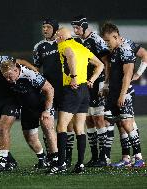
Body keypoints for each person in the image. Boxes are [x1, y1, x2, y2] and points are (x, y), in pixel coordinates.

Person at [49, 27, 104, 174]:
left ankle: (60, 164)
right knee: (79, 128)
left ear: (61, 37)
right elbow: (100, 65)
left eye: (57, 35)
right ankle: (80, 164)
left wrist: (73, 76)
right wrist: (91, 80)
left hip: (72, 89)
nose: (55, 37)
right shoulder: (80, 45)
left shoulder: (63, 45)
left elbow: (71, 56)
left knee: (61, 127)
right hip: (85, 90)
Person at [101, 22, 145, 168]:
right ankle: (126, 159)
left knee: (127, 123)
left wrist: (122, 94)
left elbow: (127, 75)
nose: (106, 44)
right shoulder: (115, 49)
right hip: (114, 92)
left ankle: (138, 158)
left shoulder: (125, 49)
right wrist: (107, 86)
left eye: (108, 41)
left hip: (123, 93)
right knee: (120, 124)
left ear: (116, 36)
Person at [0, 60, 59, 168]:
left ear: (15, 70)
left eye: (9, 76)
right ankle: (43, 159)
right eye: (5, 77)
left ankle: (56, 160)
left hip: (42, 106)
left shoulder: (30, 75)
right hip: (27, 109)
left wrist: (47, 109)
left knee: (48, 128)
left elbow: (49, 89)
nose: (8, 79)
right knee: (29, 137)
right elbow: (17, 59)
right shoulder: (9, 77)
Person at [70, 15, 110, 167]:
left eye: (78, 27)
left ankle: (104, 157)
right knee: (87, 119)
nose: (75, 30)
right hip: (84, 84)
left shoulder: (96, 40)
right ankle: (94, 157)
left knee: (99, 118)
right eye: (74, 27)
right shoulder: (77, 40)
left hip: (96, 82)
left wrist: (105, 83)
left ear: (85, 26)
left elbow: (106, 62)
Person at [33, 19, 62, 160]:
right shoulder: (39, 46)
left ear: (55, 29)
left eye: (48, 27)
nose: (45, 29)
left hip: (64, 89)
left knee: (65, 125)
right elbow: (37, 69)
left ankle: (65, 156)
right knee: (46, 121)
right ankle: (52, 154)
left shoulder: (63, 42)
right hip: (48, 90)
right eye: (43, 26)